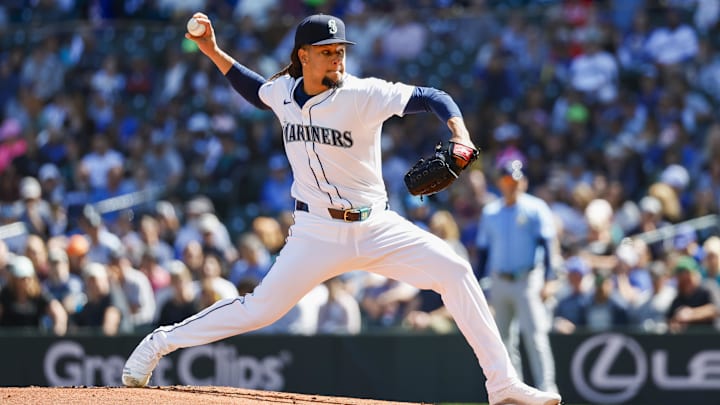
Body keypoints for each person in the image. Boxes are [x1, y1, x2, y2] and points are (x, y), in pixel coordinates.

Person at [122, 13, 561, 405]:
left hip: (377, 226)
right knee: (260, 310)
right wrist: (213, 51)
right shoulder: (283, 92)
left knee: (457, 272)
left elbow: (432, 95)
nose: (337, 59)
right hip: (316, 232)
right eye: (327, 52)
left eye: (340, 51)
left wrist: (460, 134)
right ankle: (160, 342)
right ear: (303, 57)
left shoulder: (363, 93)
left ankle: (502, 385)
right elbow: (257, 91)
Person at [475, 159, 559, 394]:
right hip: (499, 280)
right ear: (500, 183)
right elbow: (483, 252)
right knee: (503, 340)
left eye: (515, 180)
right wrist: (480, 285)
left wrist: (550, 278)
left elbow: (547, 244)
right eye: (506, 180)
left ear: (523, 182)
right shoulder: (491, 212)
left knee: (535, 336)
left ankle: (547, 389)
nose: (511, 185)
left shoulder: (535, 208)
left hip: (528, 280)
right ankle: (516, 391)